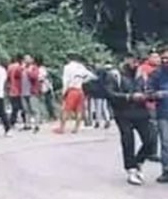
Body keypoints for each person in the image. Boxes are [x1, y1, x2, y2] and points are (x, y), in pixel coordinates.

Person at [103, 56, 158, 185]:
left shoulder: (141, 75)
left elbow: (148, 90)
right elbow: (110, 94)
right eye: (131, 61)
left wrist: (149, 94)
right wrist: (129, 97)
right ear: (125, 61)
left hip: (140, 111)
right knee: (128, 140)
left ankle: (138, 161)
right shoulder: (114, 75)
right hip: (123, 112)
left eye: (136, 61)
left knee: (151, 139)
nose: (134, 64)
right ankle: (131, 169)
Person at [55, 54, 94, 134]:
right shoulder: (81, 67)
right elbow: (91, 76)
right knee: (79, 110)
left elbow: (65, 80)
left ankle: (62, 128)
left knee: (66, 110)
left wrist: (64, 92)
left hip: (72, 90)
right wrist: (83, 80)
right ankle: (76, 128)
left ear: (69, 59)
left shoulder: (67, 67)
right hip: (80, 90)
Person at [149, 49, 168, 183]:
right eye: (163, 59)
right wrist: (157, 94)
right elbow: (148, 92)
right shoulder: (156, 74)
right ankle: (166, 170)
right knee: (166, 143)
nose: (165, 61)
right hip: (163, 113)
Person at [6, 55, 27, 129]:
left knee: (15, 107)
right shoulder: (19, 68)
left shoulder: (10, 67)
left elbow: (8, 78)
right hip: (19, 90)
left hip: (12, 89)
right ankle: (25, 122)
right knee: (23, 107)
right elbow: (22, 77)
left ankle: (12, 122)